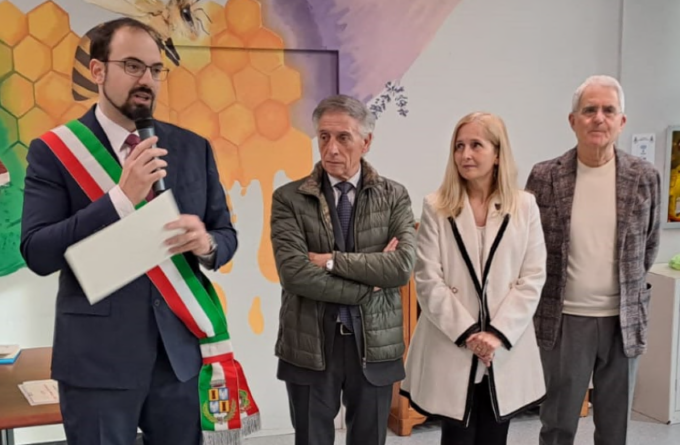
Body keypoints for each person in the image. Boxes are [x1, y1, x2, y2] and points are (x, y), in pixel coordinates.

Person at [20, 17, 237, 445]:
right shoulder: (55, 151)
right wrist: (120, 199)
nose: (147, 80)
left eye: (155, 69)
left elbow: (225, 235)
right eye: (133, 66)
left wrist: (207, 243)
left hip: (178, 358)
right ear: (97, 71)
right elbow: (38, 253)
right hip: (97, 362)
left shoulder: (193, 147)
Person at [270, 94, 417, 445]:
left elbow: (401, 267)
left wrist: (331, 261)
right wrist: (370, 286)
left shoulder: (394, 196)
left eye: (343, 138)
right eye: (324, 137)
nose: (331, 149)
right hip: (309, 343)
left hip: (376, 342)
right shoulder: (289, 199)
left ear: (366, 142)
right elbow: (295, 275)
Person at [525, 75, 661, 445]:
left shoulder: (644, 177)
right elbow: (530, 245)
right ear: (573, 120)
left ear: (622, 121)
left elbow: (648, 245)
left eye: (608, 110)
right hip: (564, 320)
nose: (599, 118)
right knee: (557, 425)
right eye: (589, 110)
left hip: (623, 320)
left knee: (615, 430)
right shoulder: (544, 176)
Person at [400, 112, 547, 445]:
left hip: (504, 348)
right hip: (453, 344)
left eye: (476, 145)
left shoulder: (524, 206)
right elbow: (428, 279)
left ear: (497, 154)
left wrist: (496, 334)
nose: (465, 155)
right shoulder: (436, 206)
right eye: (459, 146)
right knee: (457, 437)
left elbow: (532, 276)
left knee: (495, 436)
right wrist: (469, 335)